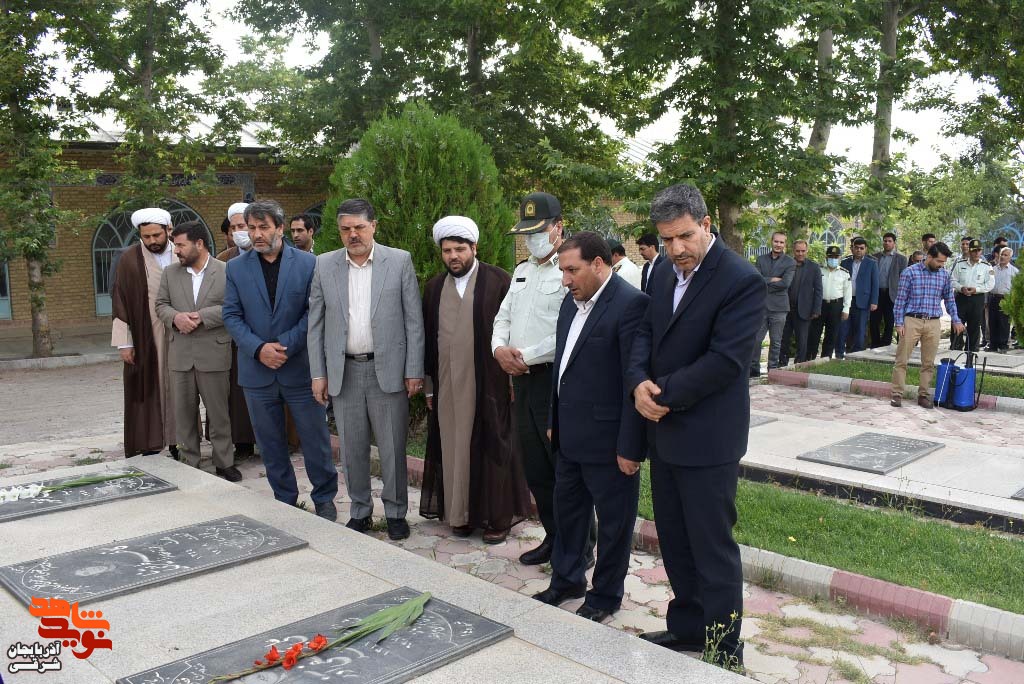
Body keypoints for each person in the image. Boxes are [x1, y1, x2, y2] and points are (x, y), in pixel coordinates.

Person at [627, 183, 765, 666]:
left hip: (708, 438)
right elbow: (645, 332)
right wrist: (637, 382)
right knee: (676, 542)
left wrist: (659, 394)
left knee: (712, 548)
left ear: (707, 225)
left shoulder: (741, 279)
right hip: (664, 434)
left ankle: (725, 650)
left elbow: (726, 361)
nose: (676, 249)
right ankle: (687, 630)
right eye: (667, 239)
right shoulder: (662, 273)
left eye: (685, 236)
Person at [532, 232, 648, 623]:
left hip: (610, 444)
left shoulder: (631, 305)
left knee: (614, 525)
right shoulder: (571, 302)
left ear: (598, 264)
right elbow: (561, 368)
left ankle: (605, 596)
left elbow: (635, 380)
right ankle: (567, 580)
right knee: (568, 514)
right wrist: (554, 421)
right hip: (568, 437)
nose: (565, 280)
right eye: (563, 271)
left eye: (572, 270)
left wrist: (631, 446)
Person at [307, 198, 425, 540]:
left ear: (373, 226)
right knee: (352, 449)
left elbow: (413, 321)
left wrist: (413, 369)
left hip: (387, 370)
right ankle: (360, 511)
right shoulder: (324, 265)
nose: (353, 234)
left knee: (392, 448)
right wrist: (318, 374)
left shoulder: (398, 261)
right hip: (344, 372)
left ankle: (396, 512)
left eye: (359, 227)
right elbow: (315, 325)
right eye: (346, 229)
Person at [493, 191, 596, 566]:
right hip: (522, 380)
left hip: (554, 380)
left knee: (565, 470)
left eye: (538, 231)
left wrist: (523, 357)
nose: (532, 239)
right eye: (527, 233)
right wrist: (498, 349)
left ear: (558, 227)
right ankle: (555, 538)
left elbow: (570, 330)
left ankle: (581, 548)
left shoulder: (571, 272)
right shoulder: (522, 271)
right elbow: (503, 316)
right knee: (536, 469)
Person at [222, 199, 339, 520]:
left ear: (280, 228)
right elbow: (231, 315)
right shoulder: (235, 268)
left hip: (300, 368)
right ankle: (285, 499)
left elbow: (315, 312)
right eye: (251, 228)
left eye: (263, 227)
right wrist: (259, 349)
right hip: (257, 371)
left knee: (315, 440)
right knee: (270, 444)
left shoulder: (308, 264)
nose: (256, 234)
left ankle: (324, 498)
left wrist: (283, 346)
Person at [420, 216, 532, 543]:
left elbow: (515, 329)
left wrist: (513, 378)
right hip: (446, 384)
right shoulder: (434, 288)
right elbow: (428, 339)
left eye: (460, 249)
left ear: (474, 248)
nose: (453, 256)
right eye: (447, 251)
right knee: (453, 444)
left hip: (490, 381)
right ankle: (461, 514)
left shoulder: (499, 281)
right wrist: (429, 387)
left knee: (494, 445)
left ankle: (497, 518)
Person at [154, 221, 240, 481]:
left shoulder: (226, 271)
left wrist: (202, 316)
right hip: (180, 355)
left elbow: (234, 307)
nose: (176, 250)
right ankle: (189, 461)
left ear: (199, 244)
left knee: (219, 413)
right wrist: (176, 318)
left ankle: (224, 462)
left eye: (181, 245)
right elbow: (160, 305)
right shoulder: (170, 273)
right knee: (183, 415)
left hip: (214, 353)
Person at [110, 207, 177, 457]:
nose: (152, 241)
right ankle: (149, 442)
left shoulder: (182, 251)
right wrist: (124, 343)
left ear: (168, 230)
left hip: (181, 333)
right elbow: (119, 300)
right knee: (149, 386)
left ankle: (179, 441)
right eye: (146, 236)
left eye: (156, 235)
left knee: (179, 386)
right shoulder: (129, 258)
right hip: (145, 334)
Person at [891, 242, 964, 408]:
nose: (941, 265)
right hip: (912, 320)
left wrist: (956, 319)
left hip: (933, 322)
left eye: (944, 262)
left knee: (928, 362)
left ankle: (923, 395)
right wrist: (899, 323)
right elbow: (900, 300)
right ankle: (896, 394)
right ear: (929, 256)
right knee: (902, 359)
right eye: (939, 261)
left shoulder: (944, 275)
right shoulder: (910, 272)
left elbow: (949, 300)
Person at [214, 203, 257, 461]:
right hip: (233, 337)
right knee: (237, 394)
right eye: (235, 227)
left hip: (267, 336)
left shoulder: (270, 253)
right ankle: (242, 443)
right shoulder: (223, 259)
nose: (240, 231)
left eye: (244, 226)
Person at [750, 231, 795, 376]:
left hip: (779, 308)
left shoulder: (790, 262)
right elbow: (756, 280)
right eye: (776, 241)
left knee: (776, 342)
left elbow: (785, 283)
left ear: (785, 244)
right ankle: (754, 369)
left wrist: (765, 281)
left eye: (781, 242)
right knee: (756, 340)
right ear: (771, 241)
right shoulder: (761, 259)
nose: (778, 244)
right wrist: (772, 279)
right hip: (761, 306)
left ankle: (772, 370)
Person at [779, 240, 822, 366]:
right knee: (783, 339)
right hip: (785, 308)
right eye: (797, 251)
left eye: (803, 251)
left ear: (807, 250)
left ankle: (800, 365)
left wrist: (816, 309)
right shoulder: (785, 264)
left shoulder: (814, 267)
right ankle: (782, 363)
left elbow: (818, 290)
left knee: (802, 341)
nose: (800, 253)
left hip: (804, 310)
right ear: (793, 251)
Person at [807, 246, 851, 359]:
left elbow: (848, 293)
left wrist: (846, 309)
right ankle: (810, 358)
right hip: (819, 305)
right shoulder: (819, 270)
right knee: (814, 333)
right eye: (831, 257)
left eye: (836, 257)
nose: (833, 259)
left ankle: (826, 359)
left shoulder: (844, 273)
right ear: (826, 257)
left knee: (831, 335)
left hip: (836, 306)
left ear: (840, 258)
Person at [950, 239, 994, 352]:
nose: (976, 253)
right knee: (957, 323)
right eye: (974, 250)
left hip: (977, 299)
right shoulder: (960, 264)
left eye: (979, 250)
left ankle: (971, 352)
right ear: (969, 251)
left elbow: (990, 284)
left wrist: (977, 289)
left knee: (974, 326)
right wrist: (961, 288)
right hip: (961, 298)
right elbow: (952, 280)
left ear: (981, 251)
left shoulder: (986, 266)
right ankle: (955, 348)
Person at [838, 237, 878, 354]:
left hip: (863, 301)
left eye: (861, 248)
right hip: (846, 301)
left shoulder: (871, 264)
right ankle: (839, 353)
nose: (859, 250)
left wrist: (874, 301)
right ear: (852, 249)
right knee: (843, 328)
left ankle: (857, 353)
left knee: (860, 329)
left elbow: (875, 284)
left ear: (866, 249)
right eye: (856, 248)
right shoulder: (845, 262)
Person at [870, 232, 908, 348]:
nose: (887, 243)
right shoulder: (874, 257)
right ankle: (875, 344)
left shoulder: (901, 259)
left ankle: (886, 344)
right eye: (885, 241)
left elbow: (903, 278)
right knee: (874, 320)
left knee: (889, 321)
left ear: (894, 243)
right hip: (876, 293)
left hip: (892, 294)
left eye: (889, 241)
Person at [988, 247, 1018, 352]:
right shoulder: (992, 269)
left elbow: (1016, 287)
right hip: (993, 297)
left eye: (1006, 255)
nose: (1003, 257)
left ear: (1010, 257)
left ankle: (1003, 344)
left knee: (1004, 322)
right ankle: (993, 344)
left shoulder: (1014, 271)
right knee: (992, 321)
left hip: (1006, 299)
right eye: (1001, 254)